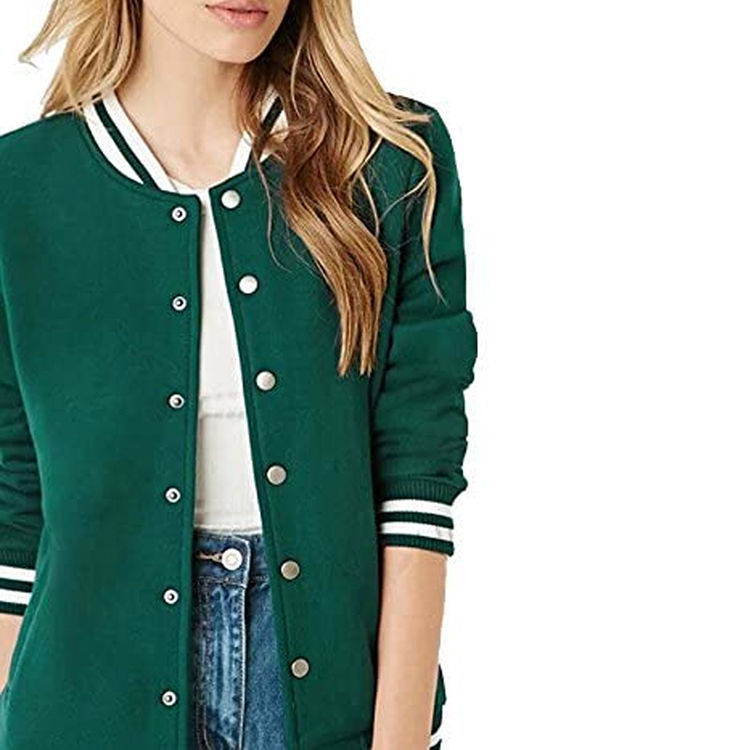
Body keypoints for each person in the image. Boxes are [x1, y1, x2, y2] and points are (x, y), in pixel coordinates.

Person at [0, 1, 477, 748]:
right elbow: (14, 510)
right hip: (81, 709)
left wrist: (400, 737)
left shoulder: (387, 162)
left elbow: (418, 485)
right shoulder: (21, 187)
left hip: (330, 700)